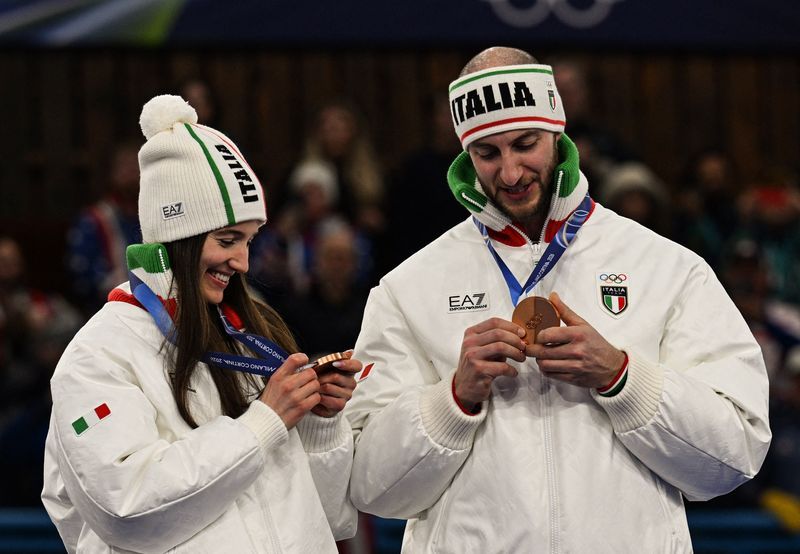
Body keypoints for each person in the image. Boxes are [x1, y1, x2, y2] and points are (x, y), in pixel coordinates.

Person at [345, 47, 771, 552]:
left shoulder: (666, 268)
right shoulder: (409, 288)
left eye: (525, 144)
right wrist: (453, 398)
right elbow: (371, 487)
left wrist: (621, 377)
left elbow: (733, 455)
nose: (509, 173)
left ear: (558, 133)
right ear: (465, 156)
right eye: (487, 153)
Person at [42, 95, 360, 552]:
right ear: (179, 236)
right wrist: (264, 422)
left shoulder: (253, 334)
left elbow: (327, 517)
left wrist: (320, 423)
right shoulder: (98, 354)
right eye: (228, 239)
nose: (244, 261)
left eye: (250, 240)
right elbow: (125, 509)